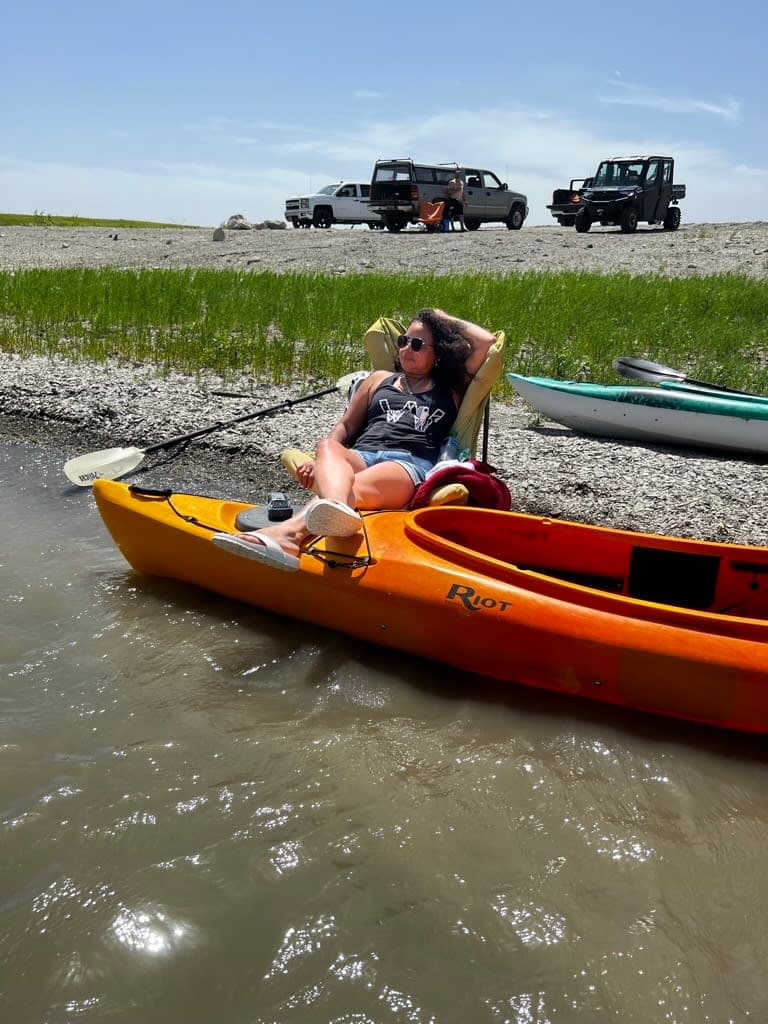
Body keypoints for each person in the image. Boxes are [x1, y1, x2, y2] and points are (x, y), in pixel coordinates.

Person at [212, 309, 496, 571]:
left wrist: (438, 316)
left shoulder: (452, 387)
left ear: (439, 354)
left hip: (407, 464)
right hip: (361, 455)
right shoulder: (378, 379)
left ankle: (290, 533)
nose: (407, 349)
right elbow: (346, 427)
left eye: (418, 344)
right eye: (403, 341)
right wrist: (321, 460)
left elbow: (486, 343)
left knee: (354, 486)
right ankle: (331, 510)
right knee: (327, 445)